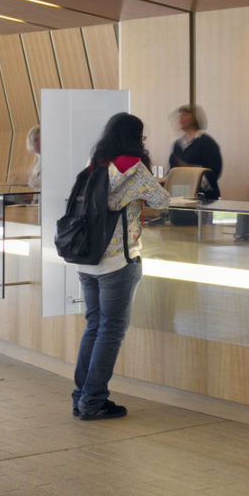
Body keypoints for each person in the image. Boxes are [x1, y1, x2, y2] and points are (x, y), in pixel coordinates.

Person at [72, 111, 169, 421]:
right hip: (116, 262)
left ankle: (81, 397)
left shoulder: (93, 166)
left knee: (94, 327)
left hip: (86, 261)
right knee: (110, 332)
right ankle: (93, 400)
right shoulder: (134, 168)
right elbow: (162, 201)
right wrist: (153, 184)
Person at [166, 104, 223, 202]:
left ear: (195, 118)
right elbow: (172, 171)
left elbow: (214, 174)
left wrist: (190, 170)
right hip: (180, 197)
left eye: (185, 115)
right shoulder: (177, 145)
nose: (180, 118)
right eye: (180, 115)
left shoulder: (207, 143)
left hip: (205, 199)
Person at [25, 124, 42, 191]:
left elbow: (38, 183)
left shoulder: (49, 159)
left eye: (40, 139)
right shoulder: (37, 160)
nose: (38, 143)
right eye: (35, 140)